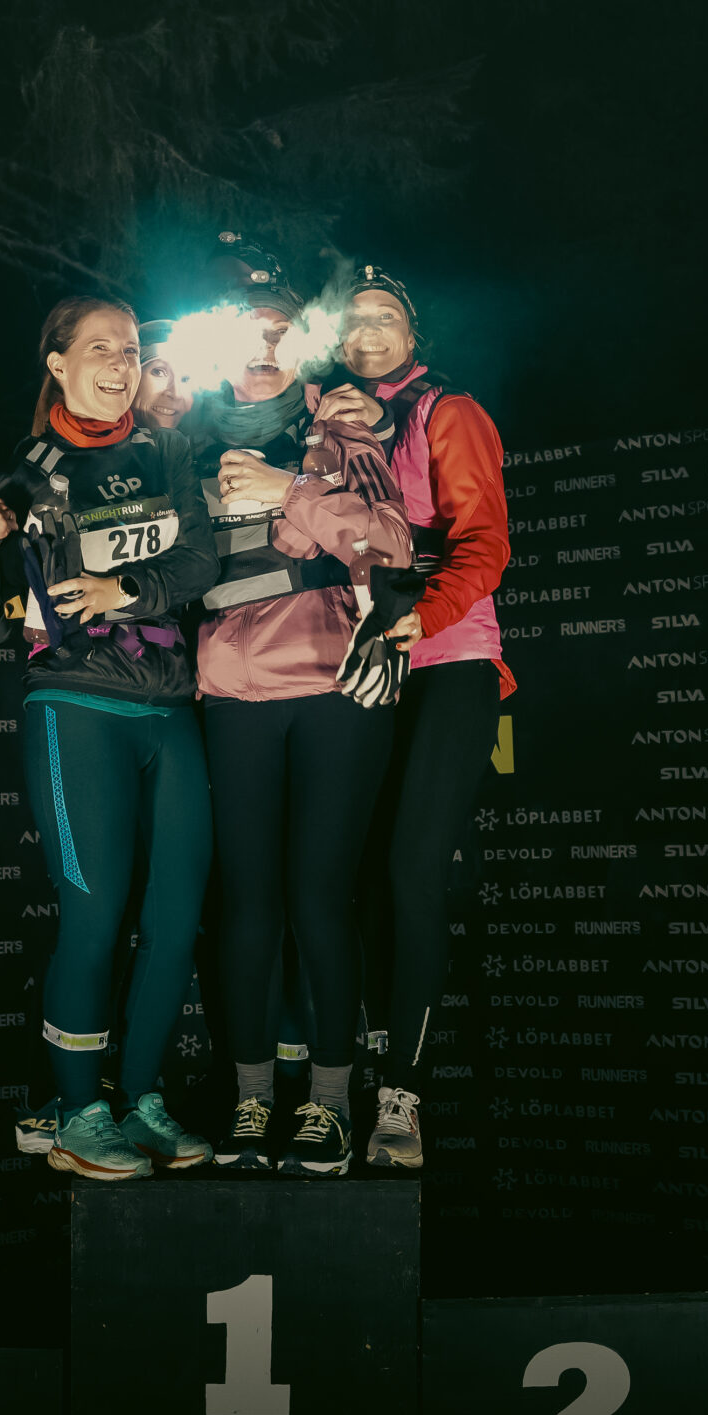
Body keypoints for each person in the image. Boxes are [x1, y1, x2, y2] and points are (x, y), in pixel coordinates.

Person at [0, 297, 220, 1180]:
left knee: (175, 920)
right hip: (75, 704)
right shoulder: (26, 474)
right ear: (58, 365)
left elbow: (199, 562)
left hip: (170, 709)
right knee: (95, 915)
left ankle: (140, 1098)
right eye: (100, 348)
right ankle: (76, 1112)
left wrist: (121, 591)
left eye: (131, 349)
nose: (120, 363)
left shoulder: (168, 451)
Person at [180, 243, 411, 1175]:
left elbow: (391, 544)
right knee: (248, 905)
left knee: (319, 898)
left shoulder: (342, 426)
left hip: (331, 684)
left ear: (305, 341)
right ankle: (247, 1101)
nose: (265, 346)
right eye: (248, 331)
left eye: (282, 330)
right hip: (232, 690)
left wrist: (294, 491)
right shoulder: (186, 435)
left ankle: (328, 1105)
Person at [335, 263, 515, 1170]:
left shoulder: (449, 411)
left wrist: (427, 614)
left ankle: (403, 1098)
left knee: (412, 873)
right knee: (358, 875)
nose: (368, 330)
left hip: (448, 660)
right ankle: (358, 1074)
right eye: (353, 318)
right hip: (359, 666)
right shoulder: (326, 422)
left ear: (414, 334)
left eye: (386, 316)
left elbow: (486, 540)